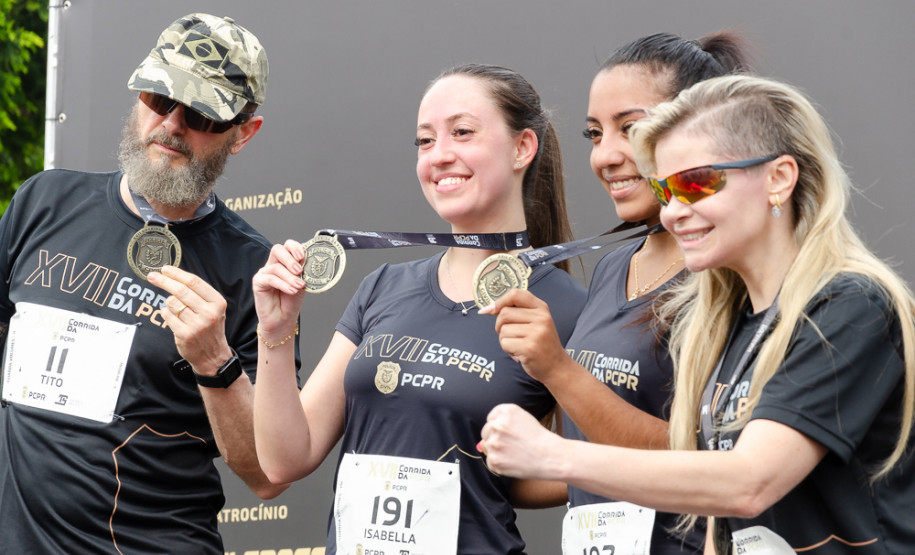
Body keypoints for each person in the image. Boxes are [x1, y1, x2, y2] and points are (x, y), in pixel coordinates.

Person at [479, 74, 915, 554]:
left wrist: (554, 455)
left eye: (695, 183)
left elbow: (747, 483)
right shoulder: (730, 319)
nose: (671, 213)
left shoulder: (850, 304)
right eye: (666, 190)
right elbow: (720, 521)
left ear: (779, 178)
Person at [252, 64, 588, 554]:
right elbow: (285, 459)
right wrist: (275, 332)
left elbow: (599, 460)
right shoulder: (383, 287)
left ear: (522, 148)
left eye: (462, 133)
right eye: (425, 141)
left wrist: (493, 473)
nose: (440, 156)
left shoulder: (568, 307)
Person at [0, 13, 295, 553]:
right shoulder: (44, 201)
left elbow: (267, 475)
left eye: (202, 113)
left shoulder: (258, 275)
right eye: (160, 98)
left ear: (243, 134)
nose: (172, 124)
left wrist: (215, 362)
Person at [479, 32, 749, 553]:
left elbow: (702, 458)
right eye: (595, 134)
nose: (605, 155)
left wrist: (557, 369)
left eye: (631, 128)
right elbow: (585, 464)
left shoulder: (726, 277)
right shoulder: (611, 268)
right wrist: (474, 464)